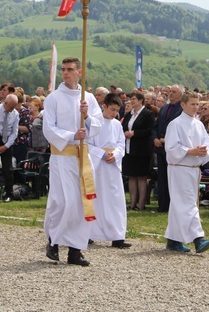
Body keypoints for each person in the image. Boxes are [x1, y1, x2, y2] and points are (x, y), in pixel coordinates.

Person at [43, 57, 103, 267]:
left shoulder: (88, 99)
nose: (66, 73)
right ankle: (53, 241)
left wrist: (86, 117)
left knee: (81, 202)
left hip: (82, 157)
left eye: (70, 69)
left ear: (79, 72)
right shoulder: (53, 98)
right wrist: (71, 135)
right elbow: (48, 128)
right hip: (61, 157)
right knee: (61, 201)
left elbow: (98, 125)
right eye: (63, 69)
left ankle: (75, 250)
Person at [163, 91, 209, 253]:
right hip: (179, 168)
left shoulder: (198, 124)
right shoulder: (175, 124)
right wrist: (189, 151)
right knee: (188, 203)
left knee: (180, 203)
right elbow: (171, 149)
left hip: (193, 169)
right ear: (183, 105)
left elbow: (208, 144)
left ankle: (173, 239)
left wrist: (203, 151)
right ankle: (198, 239)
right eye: (192, 104)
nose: (195, 107)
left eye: (197, 104)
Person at [88, 93, 129, 248]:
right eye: (112, 109)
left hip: (112, 166)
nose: (114, 113)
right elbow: (88, 144)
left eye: (117, 110)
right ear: (103, 106)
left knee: (115, 200)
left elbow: (121, 143)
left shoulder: (117, 124)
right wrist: (102, 154)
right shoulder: (94, 123)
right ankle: (90, 233)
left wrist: (116, 154)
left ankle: (117, 235)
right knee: (95, 199)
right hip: (98, 165)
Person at [122, 91, 155, 211]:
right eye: (131, 99)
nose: (132, 101)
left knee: (141, 177)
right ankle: (132, 202)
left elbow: (149, 130)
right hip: (129, 148)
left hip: (142, 149)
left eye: (134, 99)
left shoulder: (148, 114)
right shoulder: (128, 114)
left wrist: (134, 133)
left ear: (141, 100)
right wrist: (125, 133)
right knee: (131, 176)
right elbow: (124, 127)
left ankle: (141, 203)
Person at [152, 85, 183, 212]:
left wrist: (167, 140)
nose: (171, 94)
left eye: (174, 92)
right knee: (162, 177)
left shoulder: (181, 109)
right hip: (160, 148)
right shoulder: (164, 108)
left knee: (173, 178)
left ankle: (172, 205)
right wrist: (155, 138)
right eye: (170, 91)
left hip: (173, 148)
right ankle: (163, 204)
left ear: (180, 95)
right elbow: (156, 125)